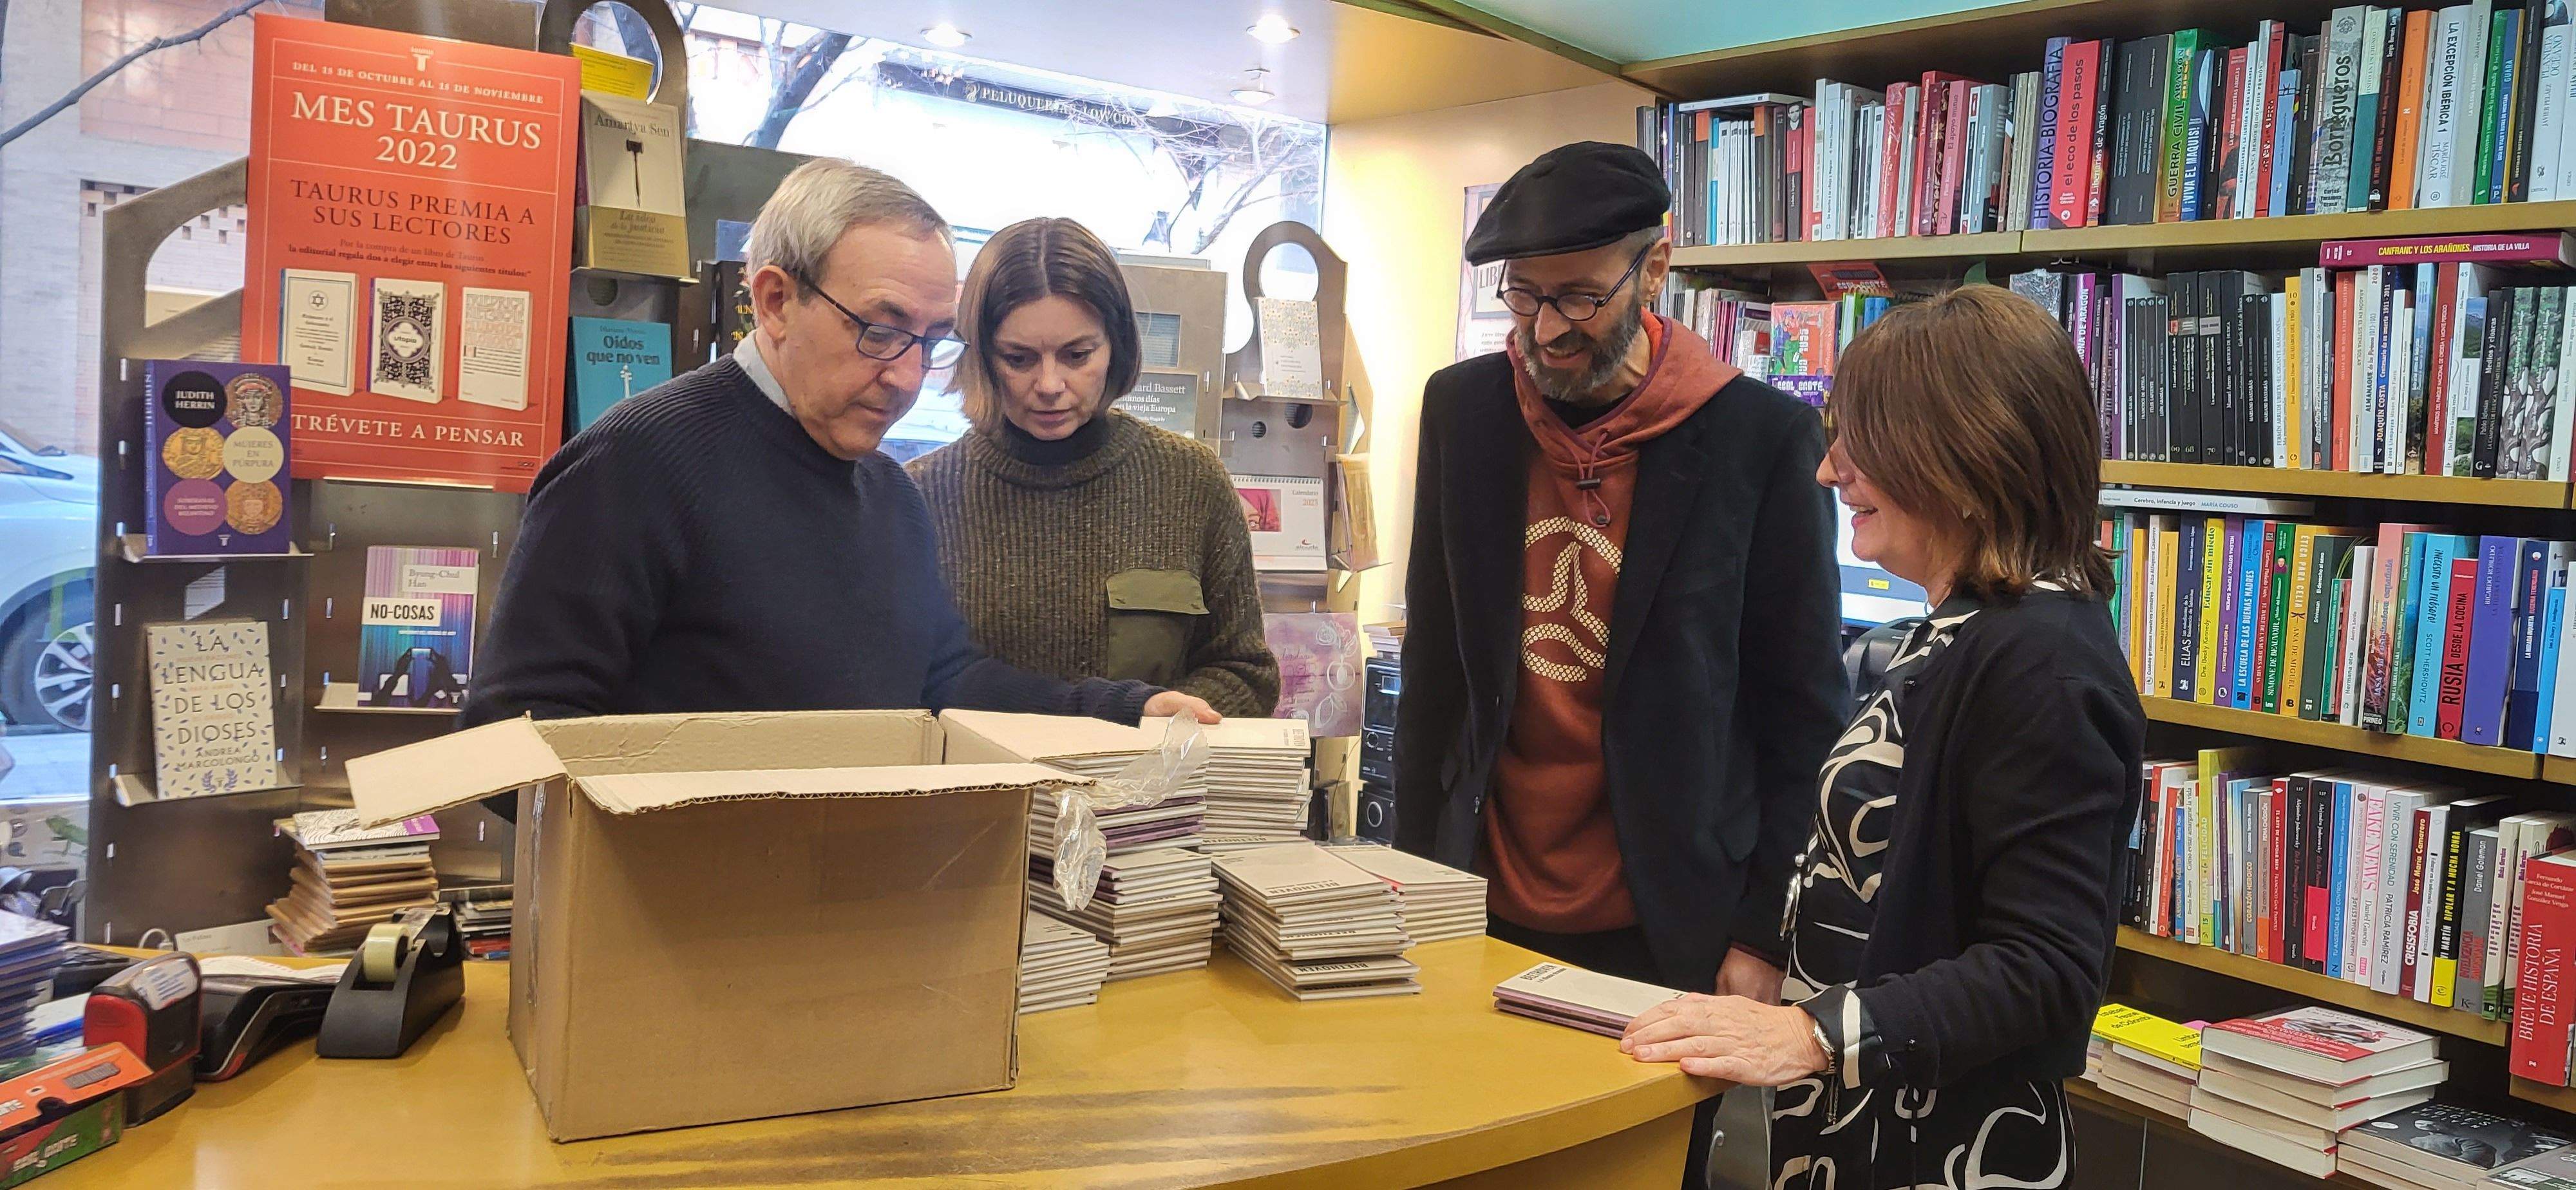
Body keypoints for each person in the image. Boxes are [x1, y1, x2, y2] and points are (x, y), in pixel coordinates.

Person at [1618, 285, 2147, 1190]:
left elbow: (2047, 967)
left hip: (1945, 1151)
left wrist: (1810, 1032)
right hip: (1868, 1127)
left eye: (1859, 440)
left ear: (1962, 449)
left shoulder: (2043, 663)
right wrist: (1768, 965)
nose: (1830, 473)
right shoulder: (1964, 629)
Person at [1394, 140, 1848, 1185]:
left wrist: (1760, 931)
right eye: (1525, 298)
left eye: (1581, 298)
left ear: (1658, 268)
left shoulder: (1759, 439)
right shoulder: (1464, 411)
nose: (1548, 330)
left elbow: (1803, 715)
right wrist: (1415, 881)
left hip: (1670, 922)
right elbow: (1438, 678)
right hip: (1481, 900)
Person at [464, 160, 1216, 739]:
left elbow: (944, 684)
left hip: (843, 905)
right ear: (775, 300)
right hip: (682, 919)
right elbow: (513, 734)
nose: (908, 375)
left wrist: (1125, 711)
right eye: (882, 331)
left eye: (931, 341)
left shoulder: (888, 495)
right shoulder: (634, 464)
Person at [909, 217, 1278, 717]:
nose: (1049, 384)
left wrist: (1163, 722)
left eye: (1077, 355)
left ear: (1116, 346)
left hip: (1146, 789)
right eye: (1018, 359)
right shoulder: (920, 496)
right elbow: (907, 684)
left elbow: (1245, 673)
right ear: (980, 357)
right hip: (980, 790)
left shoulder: (1189, 480)